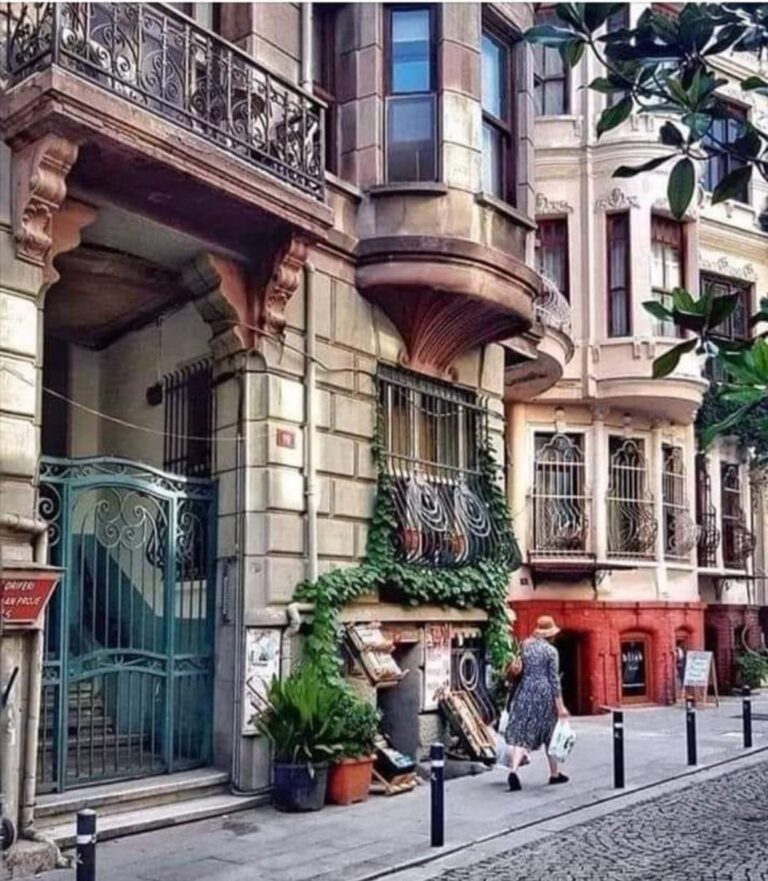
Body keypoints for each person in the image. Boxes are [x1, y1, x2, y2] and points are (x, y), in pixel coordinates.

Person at [504, 614, 569, 791]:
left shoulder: (526, 646)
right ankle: (554, 774)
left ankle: (514, 771)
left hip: (524, 691)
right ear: (550, 634)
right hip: (544, 694)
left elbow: (520, 671)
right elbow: (554, 680)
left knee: (521, 734)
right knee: (550, 734)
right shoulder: (551, 652)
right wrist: (560, 706)